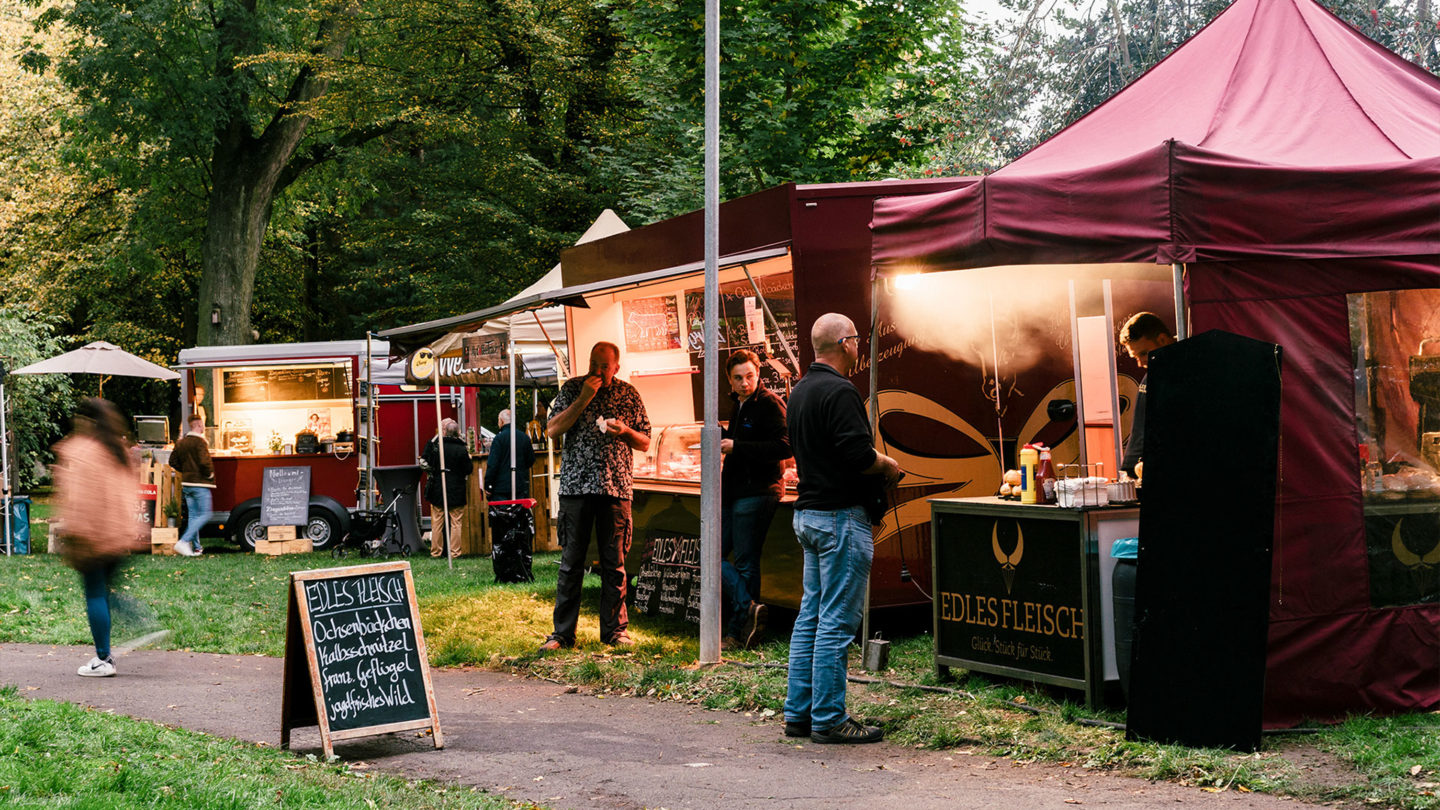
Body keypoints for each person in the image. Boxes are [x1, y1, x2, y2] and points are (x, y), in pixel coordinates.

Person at [783, 313, 903, 744]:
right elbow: (858, 455)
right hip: (839, 518)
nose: (861, 348)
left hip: (808, 515)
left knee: (810, 619)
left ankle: (798, 713)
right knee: (835, 622)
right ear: (846, 343)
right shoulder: (840, 390)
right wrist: (889, 465)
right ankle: (830, 718)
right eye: (857, 340)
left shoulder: (800, 392)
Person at [540, 342, 651, 650]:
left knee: (614, 563)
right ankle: (562, 634)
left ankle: (616, 632)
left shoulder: (628, 394)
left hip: (615, 488)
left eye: (604, 366)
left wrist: (625, 432)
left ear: (616, 367)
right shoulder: (574, 388)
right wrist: (583, 399)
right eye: (594, 363)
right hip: (576, 487)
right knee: (571, 562)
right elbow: (551, 429)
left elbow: (644, 441)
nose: (598, 371)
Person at [54, 399, 148, 677]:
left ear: (86, 421)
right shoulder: (118, 450)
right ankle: (143, 621)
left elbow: (78, 497)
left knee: (95, 594)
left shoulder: (81, 451)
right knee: (106, 592)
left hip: (92, 535)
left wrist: (72, 531)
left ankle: (104, 659)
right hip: (119, 535)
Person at [719, 349, 790, 650]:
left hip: (759, 491)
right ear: (730, 380)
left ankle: (740, 631)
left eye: (749, 376)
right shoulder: (739, 404)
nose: (745, 383)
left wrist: (737, 446)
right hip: (733, 491)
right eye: (738, 378)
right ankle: (749, 607)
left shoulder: (770, 403)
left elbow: (785, 447)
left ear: (758, 373)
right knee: (713, 555)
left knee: (746, 562)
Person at [1118, 312, 1176, 478]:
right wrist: (1129, 468)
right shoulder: (1152, 373)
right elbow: (1140, 429)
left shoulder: (1184, 372)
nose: (1140, 363)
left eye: (1144, 353)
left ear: (1163, 340)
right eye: (1135, 357)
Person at [487, 409, 537, 583]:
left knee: (503, 530)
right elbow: (531, 460)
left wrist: (488, 485)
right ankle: (521, 564)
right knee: (520, 528)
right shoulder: (524, 438)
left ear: (501, 421)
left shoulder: (499, 439)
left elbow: (492, 464)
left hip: (501, 491)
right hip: (520, 487)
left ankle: (506, 566)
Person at [422, 418, 474, 558]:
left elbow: (428, 463)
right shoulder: (462, 449)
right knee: (456, 523)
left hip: (438, 487)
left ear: (444, 432)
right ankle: (455, 552)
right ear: (457, 433)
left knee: (437, 522)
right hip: (456, 487)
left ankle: (436, 552)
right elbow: (468, 469)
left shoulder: (437, 447)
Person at [168, 416, 215, 557]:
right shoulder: (200, 442)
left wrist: (186, 471)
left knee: (194, 516)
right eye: (203, 425)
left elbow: (172, 461)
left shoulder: (181, 443)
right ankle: (183, 541)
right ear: (199, 425)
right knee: (206, 514)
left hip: (187, 484)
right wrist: (210, 474)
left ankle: (196, 548)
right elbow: (204, 461)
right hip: (199, 483)